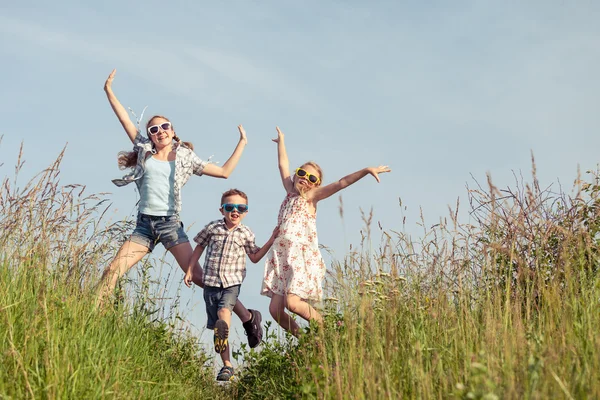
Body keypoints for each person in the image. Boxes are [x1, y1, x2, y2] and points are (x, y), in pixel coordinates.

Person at [96, 69, 263, 348]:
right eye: (154, 129)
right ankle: (95, 325)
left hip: (170, 225)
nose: (159, 132)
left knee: (202, 278)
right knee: (112, 270)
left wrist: (243, 142)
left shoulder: (184, 156)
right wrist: (108, 91)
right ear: (150, 136)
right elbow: (124, 119)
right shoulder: (143, 149)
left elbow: (223, 172)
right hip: (144, 225)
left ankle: (247, 318)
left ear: (173, 132)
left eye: (165, 127)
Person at [261, 126, 391, 336]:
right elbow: (282, 164)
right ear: (295, 175)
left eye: (312, 179)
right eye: (302, 173)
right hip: (281, 256)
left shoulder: (311, 197)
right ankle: (306, 342)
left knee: (293, 304)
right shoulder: (289, 191)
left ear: (316, 185)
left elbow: (341, 183)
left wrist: (366, 170)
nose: (305, 179)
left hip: (300, 256)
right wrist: (282, 141)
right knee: (275, 311)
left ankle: (327, 329)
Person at [184, 189, 278, 381]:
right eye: (230, 207)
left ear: (246, 212)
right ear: (222, 210)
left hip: (232, 282)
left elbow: (254, 257)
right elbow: (199, 247)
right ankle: (228, 363)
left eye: (241, 208)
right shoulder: (212, 228)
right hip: (210, 282)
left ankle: (228, 356)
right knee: (219, 329)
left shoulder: (245, 233)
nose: (235, 211)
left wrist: (271, 240)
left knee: (223, 315)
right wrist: (190, 269)